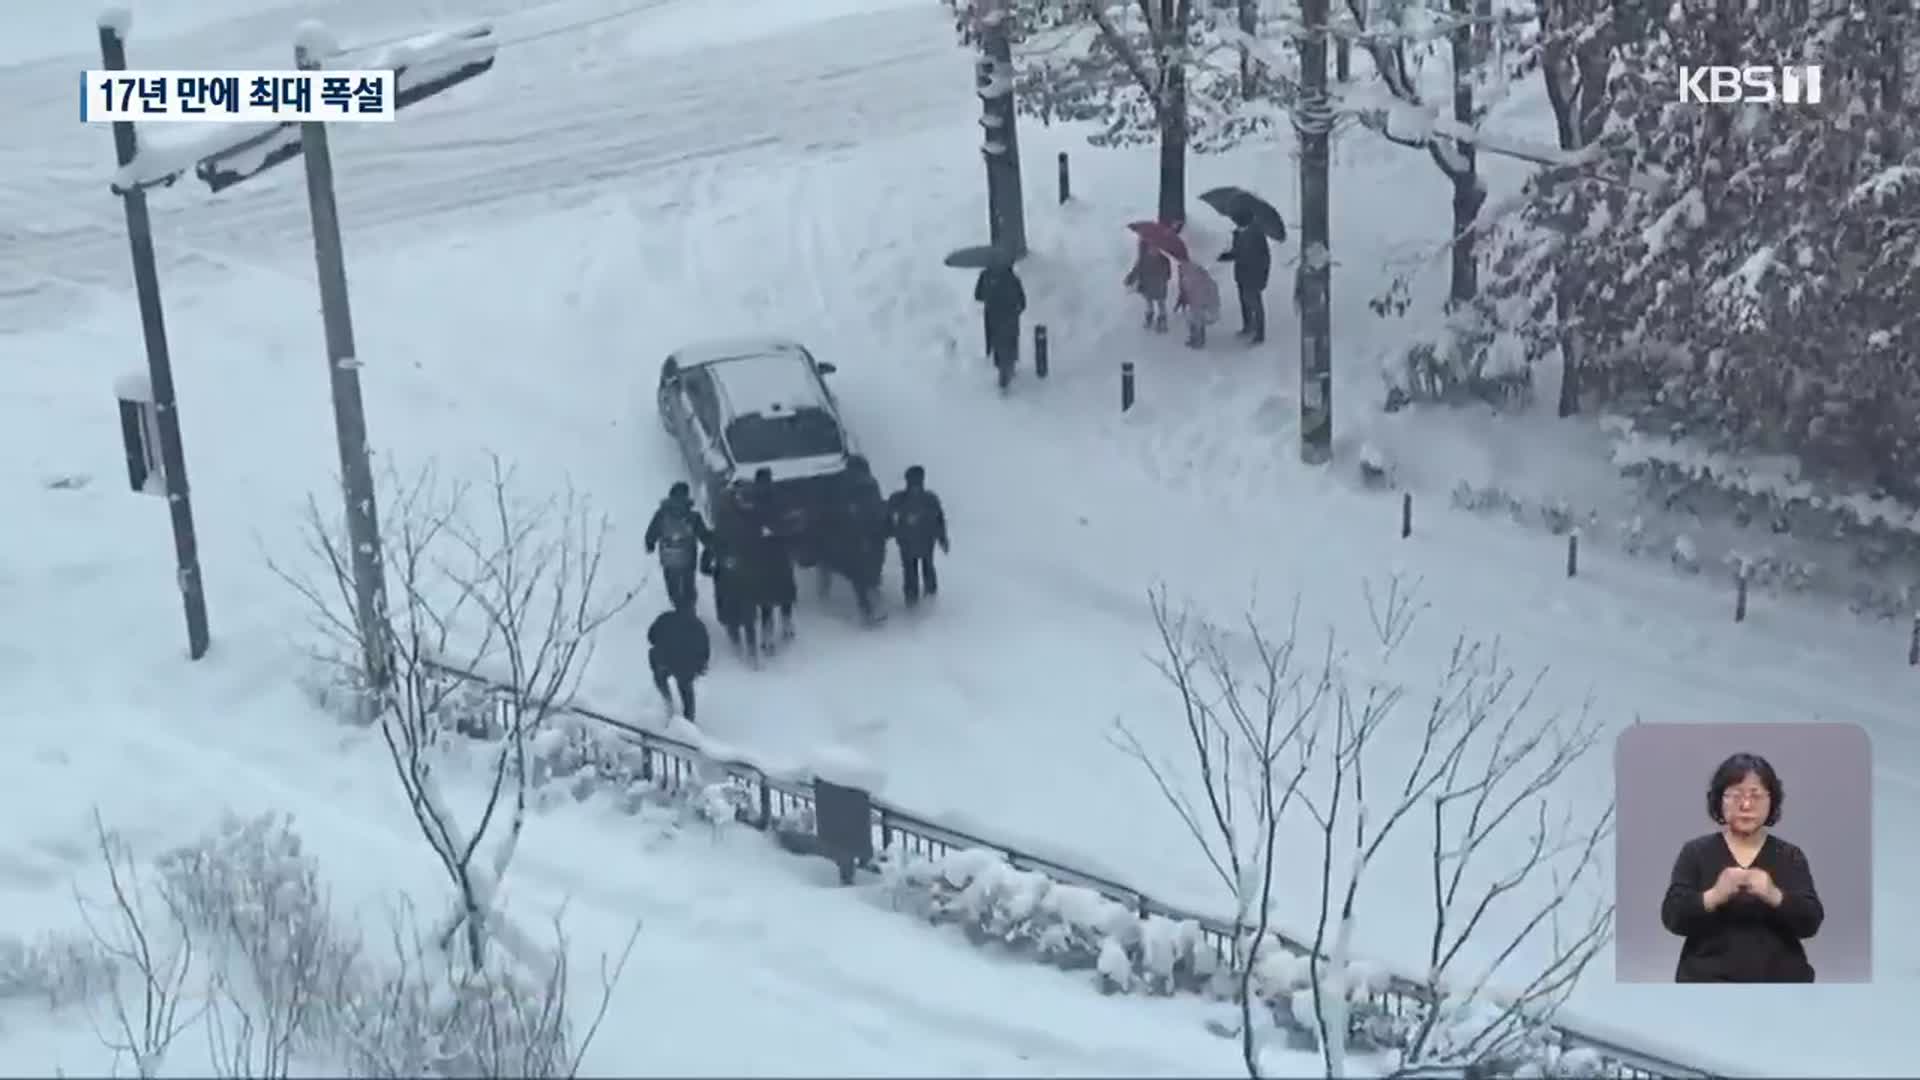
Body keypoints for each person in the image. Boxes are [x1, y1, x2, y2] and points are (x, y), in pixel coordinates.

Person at [1659, 752, 1824, 982]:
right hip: (1706, 984)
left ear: (1772, 801)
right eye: (1736, 795)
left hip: (1780, 987)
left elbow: (1811, 923)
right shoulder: (1696, 852)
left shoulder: (1790, 856)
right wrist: (1714, 895)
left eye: (1756, 795)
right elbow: (1672, 916)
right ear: (1719, 800)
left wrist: (1774, 895)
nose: (1746, 804)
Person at [820, 454, 890, 623]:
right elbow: (877, 511)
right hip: (870, 537)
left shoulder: (844, 485)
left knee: (859, 576)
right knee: (868, 574)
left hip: (855, 538)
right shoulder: (869, 485)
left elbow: (838, 511)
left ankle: (866, 609)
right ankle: (871, 607)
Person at [733, 467, 796, 648]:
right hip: (780, 552)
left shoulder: (749, 502)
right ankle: (787, 624)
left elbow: (744, 528)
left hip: (759, 555)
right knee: (785, 590)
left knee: (765, 596)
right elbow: (789, 523)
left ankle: (767, 635)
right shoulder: (781, 498)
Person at [700, 515, 761, 664]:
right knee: (748, 618)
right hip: (746, 582)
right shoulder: (747, 535)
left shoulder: (714, 539)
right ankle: (753, 653)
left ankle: (736, 648)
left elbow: (704, 567)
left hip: (724, 584)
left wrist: (715, 572)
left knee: (730, 616)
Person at [886, 465, 950, 608]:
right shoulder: (926, 499)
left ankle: (923, 600)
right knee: (914, 570)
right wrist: (942, 538)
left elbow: (939, 520)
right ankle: (918, 600)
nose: (915, 486)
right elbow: (888, 516)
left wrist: (942, 538)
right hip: (914, 542)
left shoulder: (903, 499)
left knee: (919, 568)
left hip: (918, 542)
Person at [643, 481, 710, 611]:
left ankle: (678, 607)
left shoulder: (661, 514)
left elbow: (651, 532)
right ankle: (689, 610)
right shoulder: (693, 516)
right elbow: (704, 536)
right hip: (688, 558)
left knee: (672, 585)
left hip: (669, 558)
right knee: (688, 585)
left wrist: (649, 544)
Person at [646, 605, 710, 721]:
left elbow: (651, 636)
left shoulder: (665, 617)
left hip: (662, 659)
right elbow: (705, 650)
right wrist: (700, 666)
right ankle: (689, 721)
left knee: (660, 679)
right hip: (684, 666)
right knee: (686, 692)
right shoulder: (698, 625)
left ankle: (668, 705)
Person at [1217, 211, 1271, 344]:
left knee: (1255, 303)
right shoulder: (1237, 234)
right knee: (1244, 302)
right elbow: (1237, 253)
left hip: (1254, 275)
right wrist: (1222, 257)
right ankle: (1248, 326)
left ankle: (1260, 334)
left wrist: (1263, 276)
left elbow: (1265, 257)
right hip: (1241, 274)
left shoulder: (1257, 235)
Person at [974, 263, 1027, 390]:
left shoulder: (985, 275)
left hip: (993, 316)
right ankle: (1009, 368)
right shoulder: (1012, 277)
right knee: (1010, 341)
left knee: (998, 342)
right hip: (1010, 316)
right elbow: (1022, 301)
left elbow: (978, 296)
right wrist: (1017, 310)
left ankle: (1003, 370)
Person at [1123, 238, 1172, 333]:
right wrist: (1130, 278)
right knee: (1149, 303)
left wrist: (1162, 278)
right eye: (1152, 247)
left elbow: (1168, 274)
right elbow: (1136, 270)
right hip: (1147, 285)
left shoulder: (1164, 260)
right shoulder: (1143, 259)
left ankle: (1162, 320)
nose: (1154, 250)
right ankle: (1150, 316)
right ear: (1148, 248)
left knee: (1161, 303)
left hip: (1159, 286)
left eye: (1156, 248)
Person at [1173, 257, 1222, 348]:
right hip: (1197, 305)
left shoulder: (1198, 280)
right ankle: (1196, 338)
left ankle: (1198, 341)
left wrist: (1209, 305)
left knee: (1197, 322)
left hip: (1201, 305)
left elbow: (1210, 293)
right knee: (1194, 322)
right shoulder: (1190, 279)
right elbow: (1184, 293)